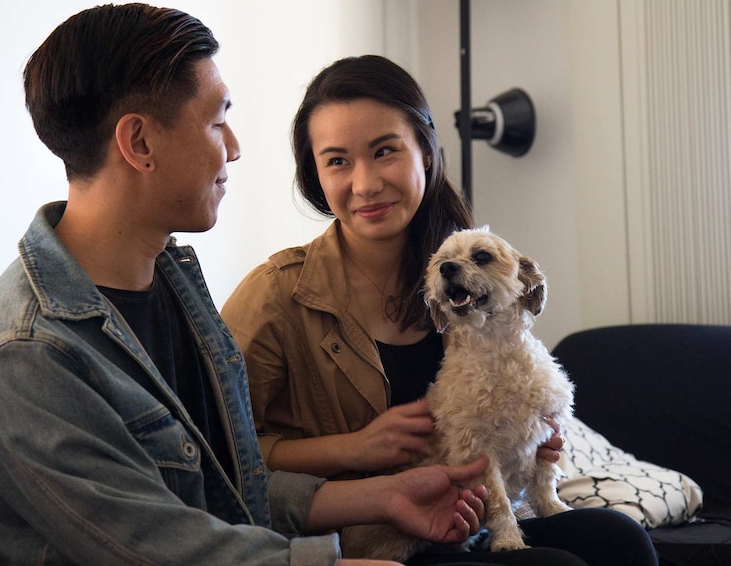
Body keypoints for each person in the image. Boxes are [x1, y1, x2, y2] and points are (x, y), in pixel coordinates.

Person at [0, 5, 490, 566]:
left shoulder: (173, 286)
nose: (234, 146)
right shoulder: (24, 352)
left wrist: (381, 495)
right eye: (216, 120)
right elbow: (151, 545)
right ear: (140, 144)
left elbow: (221, 493)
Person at [221, 55, 659, 565]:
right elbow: (225, 455)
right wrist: (354, 448)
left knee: (620, 540)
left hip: (471, 511)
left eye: (385, 151)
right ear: (316, 175)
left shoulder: (459, 267)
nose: (364, 184)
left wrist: (531, 439)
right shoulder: (277, 295)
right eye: (337, 161)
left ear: (425, 152)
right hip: (372, 534)